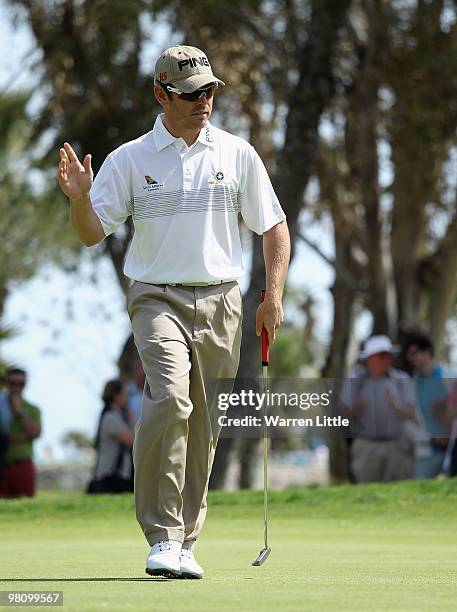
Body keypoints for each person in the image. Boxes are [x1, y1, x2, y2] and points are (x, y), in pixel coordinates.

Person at [56, 45, 290, 578]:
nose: (203, 101)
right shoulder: (131, 159)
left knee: (205, 424)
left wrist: (272, 294)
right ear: (162, 94)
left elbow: (273, 227)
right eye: (190, 93)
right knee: (170, 395)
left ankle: (185, 542)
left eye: (209, 90)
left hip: (222, 301)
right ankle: (161, 534)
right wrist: (78, 202)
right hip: (155, 295)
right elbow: (94, 234)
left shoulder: (236, 154)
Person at [339, 335, 418, 483]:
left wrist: (396, 406)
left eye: (388, 355)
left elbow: (413, 412)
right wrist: (356, 408)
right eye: (382, 355)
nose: (387, 359)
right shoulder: (354, 381)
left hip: (396, 446)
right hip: (366, 446)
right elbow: (342, 415)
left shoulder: (401, 379)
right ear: (369, 358)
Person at [404, 333, 454, 478]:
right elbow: (410, 422)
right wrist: (430, 438)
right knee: (419, 490)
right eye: (409, 355)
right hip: (428, 450)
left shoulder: (451, 376)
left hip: (453, 446)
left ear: (427, 352)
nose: (410, 358)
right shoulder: (413, 385)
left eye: (414, 353)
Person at [87, 379, 135, 494]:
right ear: (116, 395)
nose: (126, 397)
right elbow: (130, 440)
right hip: (108, 478)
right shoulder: (111, 417)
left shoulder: (114, 415)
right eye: (124, 393)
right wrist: (133, 422)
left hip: (114, 477)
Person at [0, 368, 41, 498]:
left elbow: (34, 433)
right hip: (2, 464)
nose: (17, 387)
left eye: (21, 383)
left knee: (25, 503)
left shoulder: (32, 409)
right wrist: (22, 437)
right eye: (13, 383)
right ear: (6, 383)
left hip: (23, 465)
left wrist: (20, 412)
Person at [127, 360, 145, 425]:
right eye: (139, 370)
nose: (141, 373)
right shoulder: (128, 391)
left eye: (143, 369)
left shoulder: (153, 391)